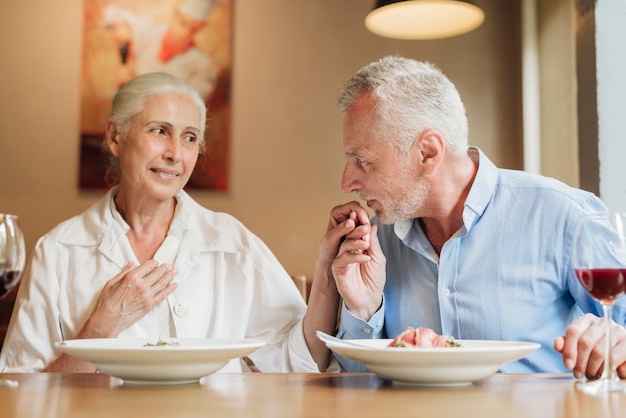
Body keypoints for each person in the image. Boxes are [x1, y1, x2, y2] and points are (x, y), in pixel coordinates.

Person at [317, 55, 626, 379]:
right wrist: (363, 309)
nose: (347, 182)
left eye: (363, 160)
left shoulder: (564, 217)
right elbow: (356, 384)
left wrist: (616, 341)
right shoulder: (376, 243)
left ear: (428, 153)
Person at [0, 72, 327, 373]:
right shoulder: (57, 250)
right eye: (159, 131)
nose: (175, 153)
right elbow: (23, 393)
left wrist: (329, 274)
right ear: (115, 136)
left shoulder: (234, 244)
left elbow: (296, 359)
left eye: (189, 138)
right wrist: (99, 329)